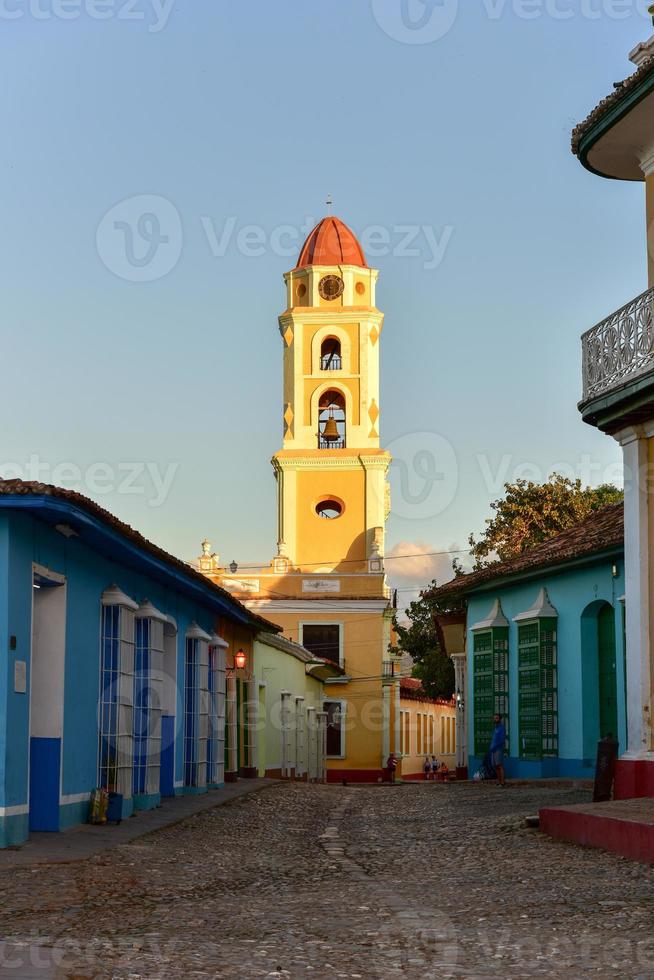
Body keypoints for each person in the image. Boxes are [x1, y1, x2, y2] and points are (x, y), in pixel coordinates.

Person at [490, 713, 507, 787]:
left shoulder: (501, 728)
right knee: (495, 766)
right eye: (494, 718)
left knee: (499, 765)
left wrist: (495, 746)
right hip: (493, 749)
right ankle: (499, 781)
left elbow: (502, 740)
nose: (495, 719)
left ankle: (502, 782)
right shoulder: (495, 728)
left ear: (500, 719)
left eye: (496, 718)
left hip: (498, 749)